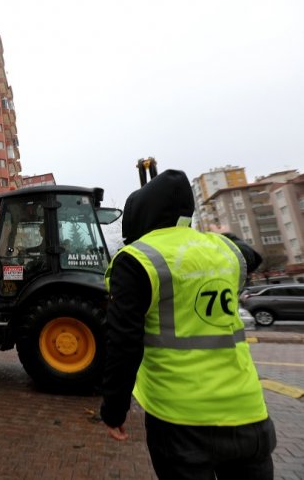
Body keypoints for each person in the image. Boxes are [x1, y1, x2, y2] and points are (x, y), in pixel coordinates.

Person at [100, 169, 276, 480]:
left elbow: (123, 343)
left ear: (138, 215)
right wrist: (225, 235)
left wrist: (114, 408)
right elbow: (254, 256)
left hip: (179, 418)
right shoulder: (226, 250)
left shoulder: (136, 259)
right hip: (248, 413)